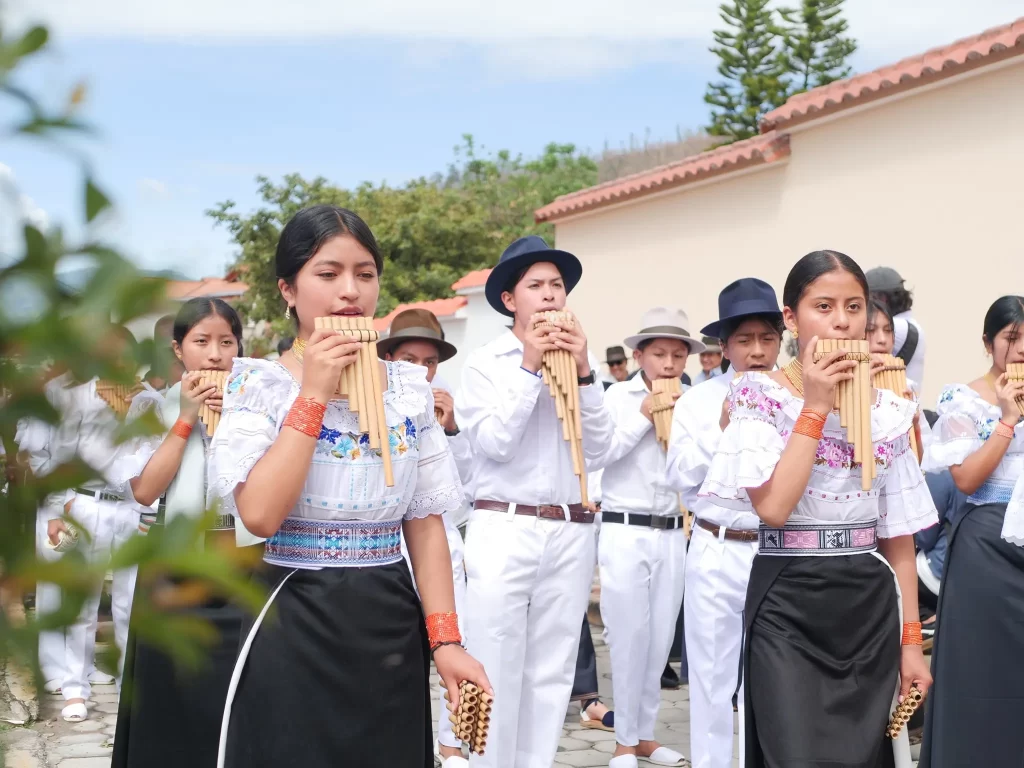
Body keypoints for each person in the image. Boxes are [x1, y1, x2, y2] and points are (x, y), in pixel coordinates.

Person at [207, 205, 489, 767]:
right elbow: (258, 515)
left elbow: (424, 524)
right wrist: (314, 392)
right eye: (328, 273)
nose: (350, 291)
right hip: (290, 612)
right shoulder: (259, 385)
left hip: (388, 615)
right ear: (288, 289)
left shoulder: (407, 390)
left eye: (365, 273)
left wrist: (446, 640)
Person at [699, 250, 937, 768]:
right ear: (791, 317)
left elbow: (897, 536)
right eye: (823, 306)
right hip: (788, 601)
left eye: (854, 306)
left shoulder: (889, 408)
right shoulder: (758, 395)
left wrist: (910, 644)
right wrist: (815, 406)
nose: (842, 321)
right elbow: (774, 508)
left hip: (869, 604)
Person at [456, 235, 613, 768]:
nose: (550, 296)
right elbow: (495, 444)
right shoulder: (484, 363)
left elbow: (600, 447)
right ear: (509, 300)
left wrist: (584, 371)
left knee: (552, 671)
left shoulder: (582, 360)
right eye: (536, 286)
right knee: (492, 662)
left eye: (557, 286)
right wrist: (530, 366)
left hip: (570, 528)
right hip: (504, 525)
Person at [111, 297, 264, 768]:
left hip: (243, 567)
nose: (215, 354)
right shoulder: (150, 408)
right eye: (201, 341)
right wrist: (184, 419)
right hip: (174, 572)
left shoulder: (260, 406)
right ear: (178, 349)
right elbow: (144, 490)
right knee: (171, 696)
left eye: (227, 342)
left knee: (238, 696)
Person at [666, 278, 784, 768]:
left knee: (776, 675)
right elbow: (679, 476)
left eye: (767, 338)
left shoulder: (799, 396)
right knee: (712, 677)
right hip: (717, 545)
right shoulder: (696, 401)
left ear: (782, 340)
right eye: (744, 340)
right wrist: (723, 427)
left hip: (779, 547)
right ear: (723, 346)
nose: (757, 351)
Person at [592, 307, 703, 768]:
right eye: (660, 354)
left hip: (673, 531)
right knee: (628, 638)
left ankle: (645, 736)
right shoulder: (616, 397)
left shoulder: (692, 401)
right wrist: (643, 416)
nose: (670, 364)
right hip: (624, 528)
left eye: (678, 355)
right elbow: (599, 454)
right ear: (639, 356)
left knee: (659, 641)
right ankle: (622, 741)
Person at [919, 295, 1024, 768]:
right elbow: (966, 479)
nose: (1021, 348)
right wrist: (1008, 419)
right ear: (988, 342)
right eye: (1011, 337)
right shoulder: (964, 399)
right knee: (982, 670)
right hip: (986, 548)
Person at [377, 307, 475, 768]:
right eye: (410, 359)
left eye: (429, 361)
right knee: (405, 654)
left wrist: (450, 428)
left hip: (442, 542)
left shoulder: (445, 401)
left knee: (454, 641)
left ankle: (453, 744)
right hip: (390, 548)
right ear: (390, 357)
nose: (421, 369)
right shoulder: (374, 398)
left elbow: (467, 483)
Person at [45, 326, 146, 722]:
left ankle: (126, 682)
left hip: (132, 508)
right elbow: (60, 455)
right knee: (82, 604)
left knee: (129, 603)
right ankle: (75, 687)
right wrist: (57, 509)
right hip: (86, 505)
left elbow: (154, 458)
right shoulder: (77, 398)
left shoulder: (148, 401)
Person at [866, 266, 927, 390]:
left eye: (888, 330)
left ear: (882, 299)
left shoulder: (900, 327)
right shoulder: (911, 323)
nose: (882, 339)